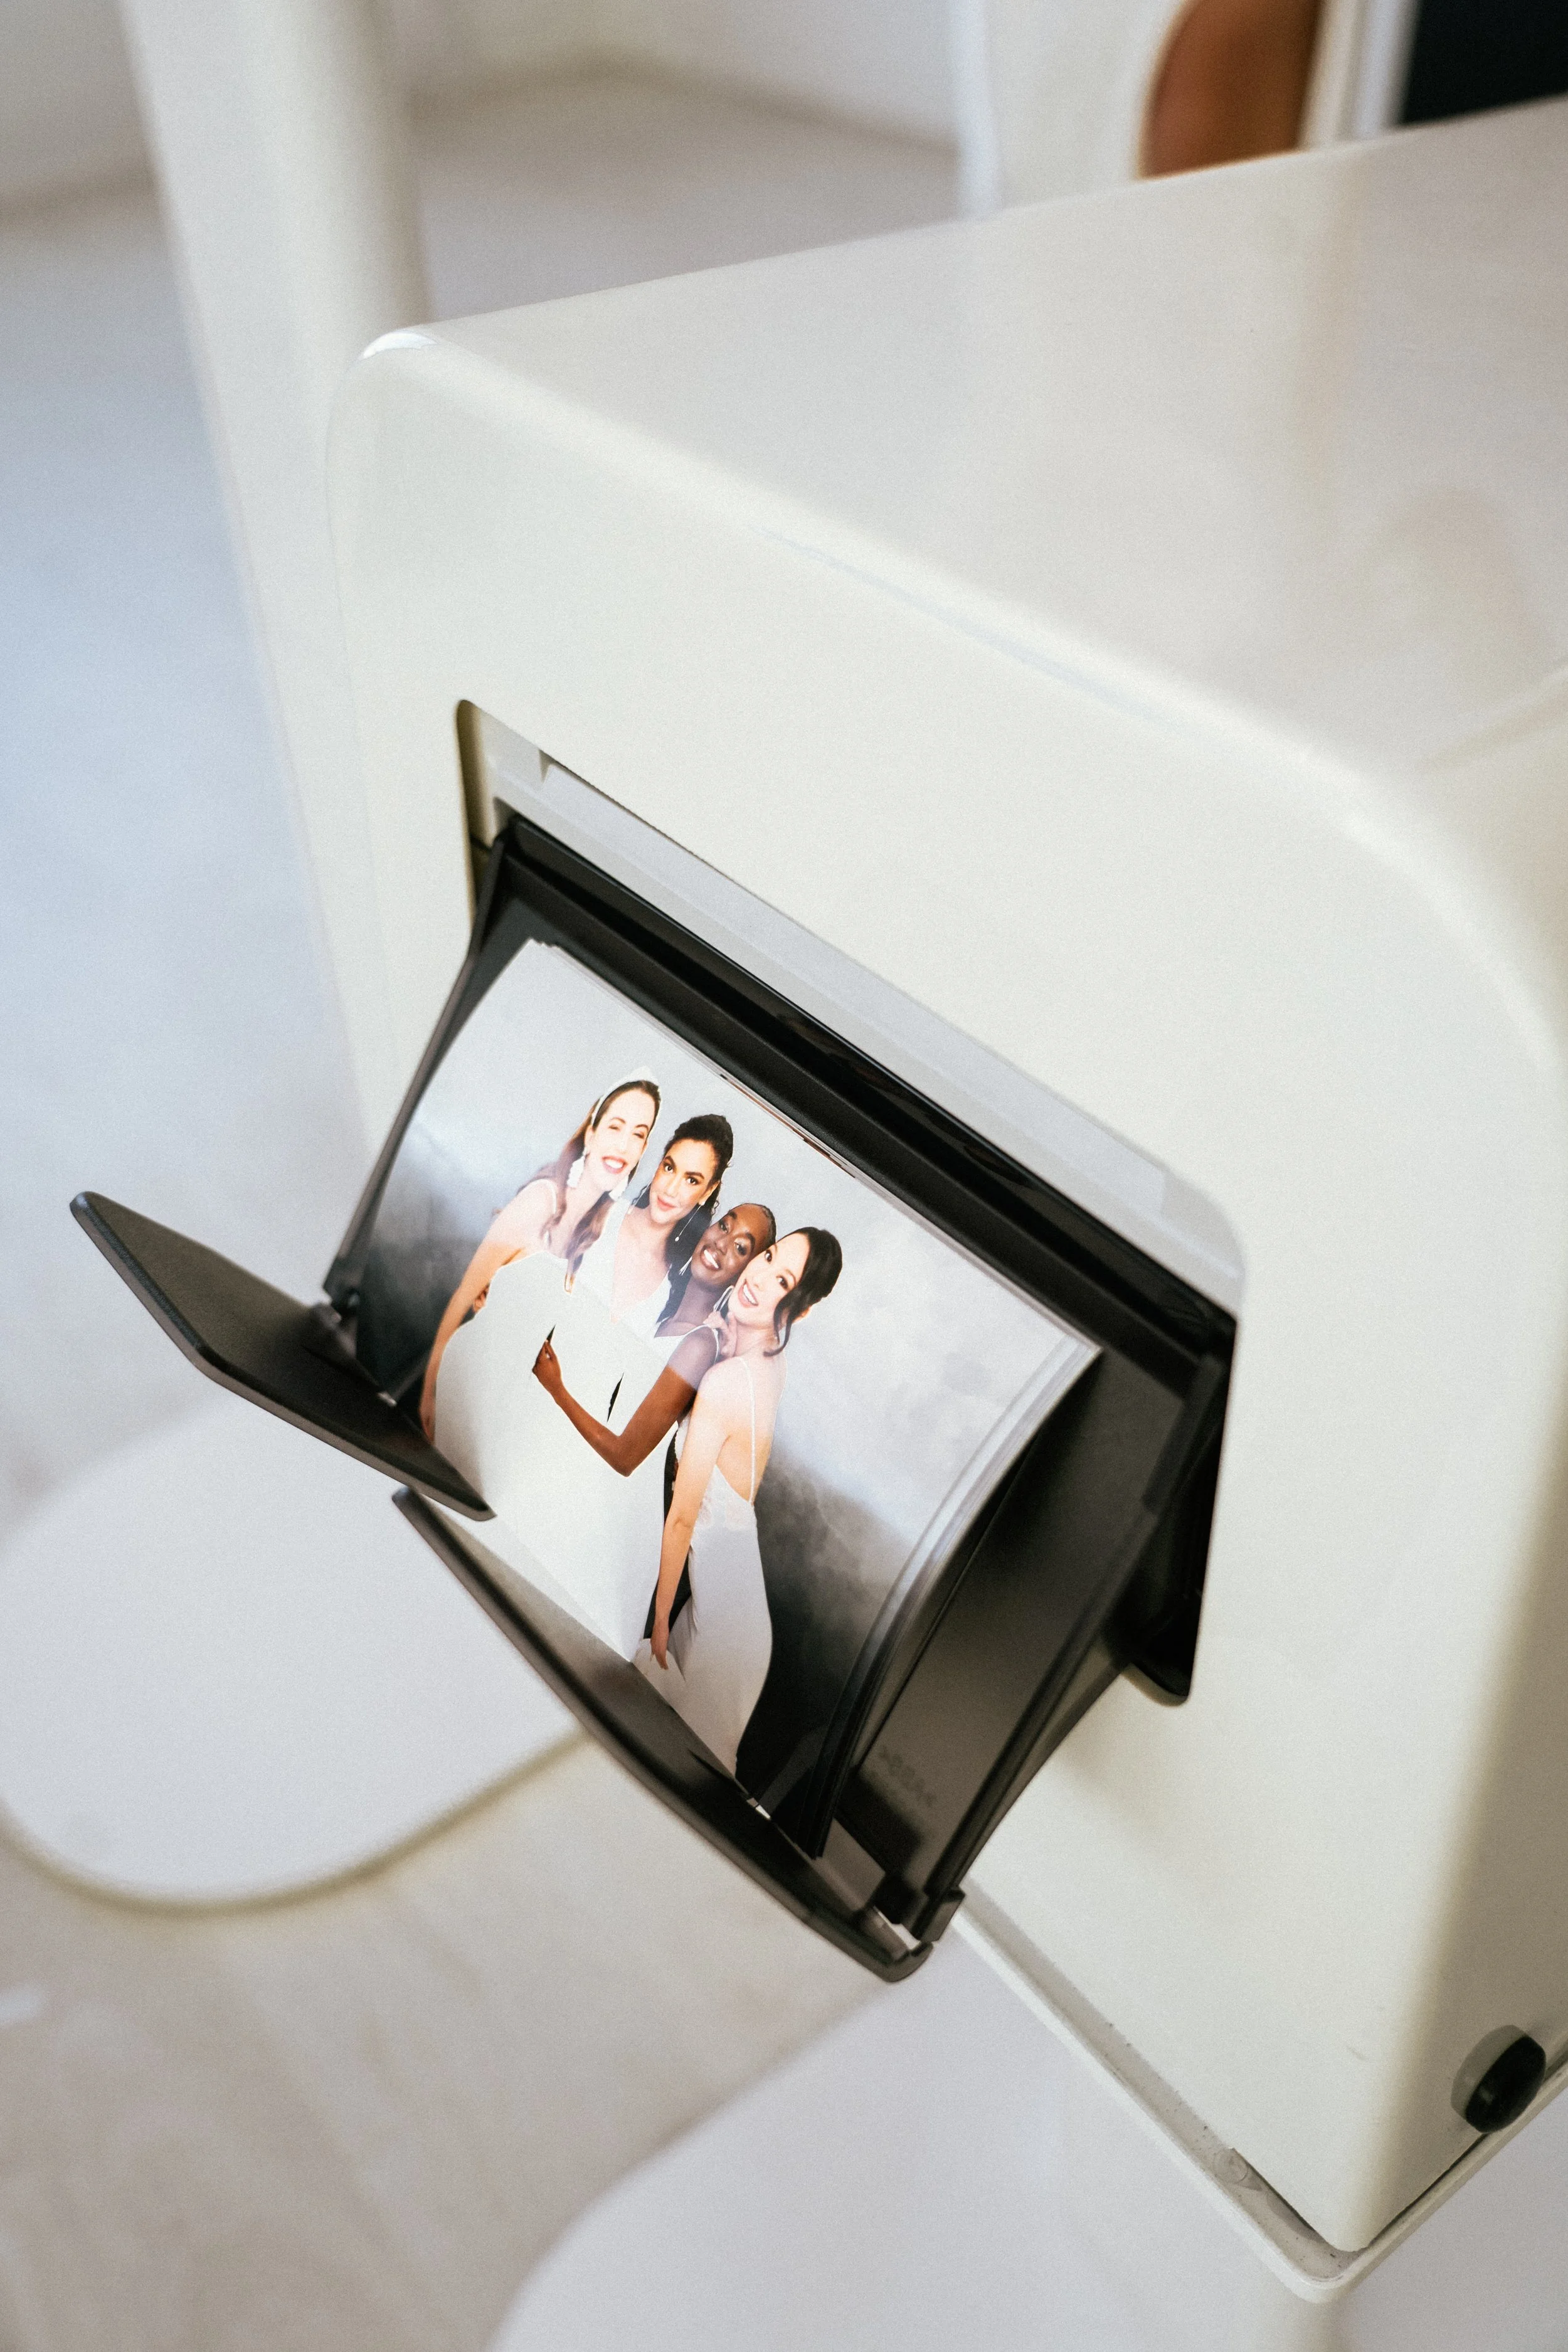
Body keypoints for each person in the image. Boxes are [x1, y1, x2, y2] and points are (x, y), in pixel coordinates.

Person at [640, 1228, 843, 1774]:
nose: (758, 1278)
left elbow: (683, 1516)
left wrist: (657, 1624)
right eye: (771, 1259)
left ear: (801, 1311)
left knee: (673, 1776)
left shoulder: (731, 1381)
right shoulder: (768, 1367)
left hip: (725, 1629)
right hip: (730, 1612)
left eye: (783, 1281)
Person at [418, 1074, 659, 1438]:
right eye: (616, 1127)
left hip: (510, 1407)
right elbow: (465, 1293)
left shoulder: (602, 1237)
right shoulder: (540, 1201)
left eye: (639, 1135)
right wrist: (430, 1391)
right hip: (467, 1378)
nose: (624, 1146)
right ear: (591, 1134)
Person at [530, 1202, 777, 1478]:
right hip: (582, 1466)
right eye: (724, 1226)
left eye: (741, 1248)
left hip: (610, 1488)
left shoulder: (700, 1345)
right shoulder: (665, 1311)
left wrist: (557, 1389)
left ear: (745, 1275)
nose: (722, 1243)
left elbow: (625, 1457)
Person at [573, 1113, 734, 1348]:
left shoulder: (673, 1289)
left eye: (692, 1181)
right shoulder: (598, 1214)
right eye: (669, 1168)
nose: (671, 1189)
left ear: (708, 1191)